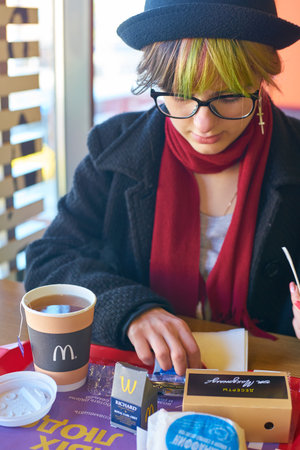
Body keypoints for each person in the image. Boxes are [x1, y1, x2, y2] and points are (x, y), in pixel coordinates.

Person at [25, 0, 300, 376]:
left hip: (273, 379)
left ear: (262, 83)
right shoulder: (111, 150)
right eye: (182, 95)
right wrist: (130, 310)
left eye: (230, 97)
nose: (203, 124)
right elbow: (50, 261)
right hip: (143, 378)